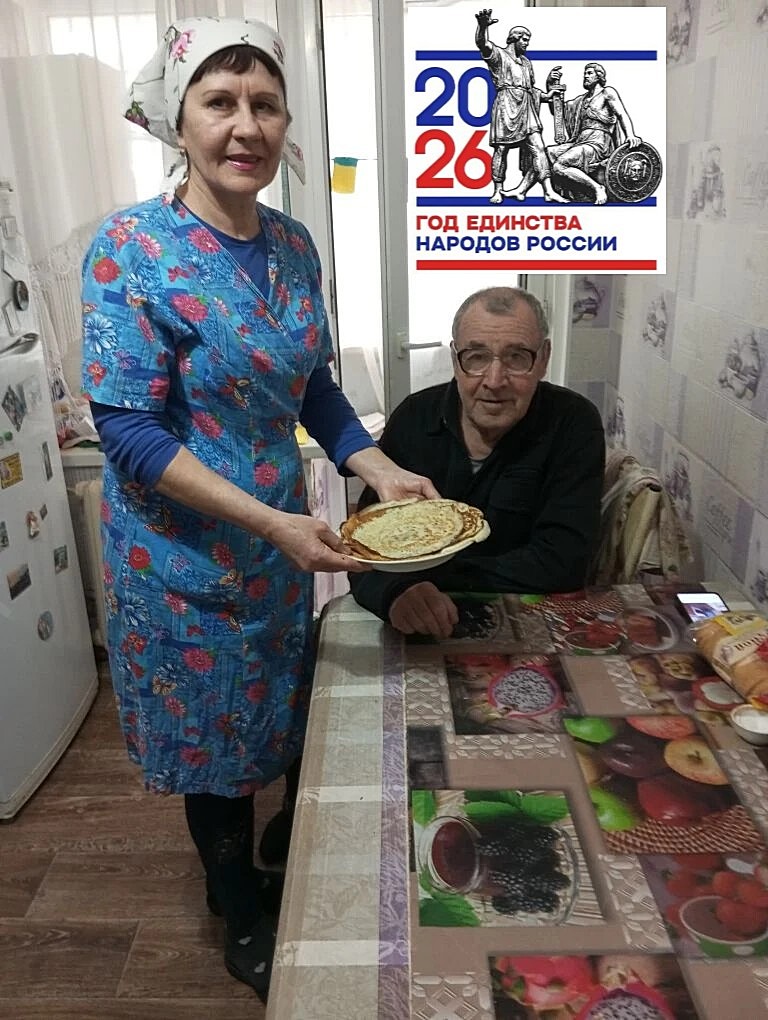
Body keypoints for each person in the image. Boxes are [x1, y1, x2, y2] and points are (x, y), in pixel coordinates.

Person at [81, 17, 437, 1000]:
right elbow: (127, 428)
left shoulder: (291, 245)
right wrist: (272, 521)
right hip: (181, 559)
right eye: (220, 102)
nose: (246, 126)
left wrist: (377, 465)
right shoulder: (132, 248)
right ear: (179, 120)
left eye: (266, 105)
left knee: (275, 712)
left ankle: (270, 859)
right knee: (213, 746)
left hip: (282, 544)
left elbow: (311, 384)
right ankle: (237, 905)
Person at [349, 287, 605, 639]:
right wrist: (394, 594)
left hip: (533, 631)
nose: (494, 381)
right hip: (417, 632)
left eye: (517, 357)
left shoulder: (573, 423)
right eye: (476, 357)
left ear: (544, 358)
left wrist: (426, 573)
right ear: (455, 360)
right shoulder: (413, 418)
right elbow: (362, 553)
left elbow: (563, 564)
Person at [512, 63, 642, 206]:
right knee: (545, 153)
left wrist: (630, 135)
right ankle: (521, 190)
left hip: (598, 143)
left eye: (589, 73)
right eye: (585, 73)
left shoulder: (607, 92)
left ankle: (597, 188)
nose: (585, 76)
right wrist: (550, 85)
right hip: (580, 141)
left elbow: (621, 114)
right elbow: (558, 111)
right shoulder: (581, 100)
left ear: (599, 76)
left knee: (560, 166)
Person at [474, 10, 566, 204]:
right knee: (501, 149)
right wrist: (482, 26)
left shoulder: (526, 63)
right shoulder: (499, 55)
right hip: (506, 106)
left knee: (539, 148)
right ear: (514, 38)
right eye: (524, 39)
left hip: (527, 109)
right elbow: (482, 44)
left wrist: (547, 95)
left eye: (528, 40)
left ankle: (548, 190)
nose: (526, 43)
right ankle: (498, 189)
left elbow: (531, 90)